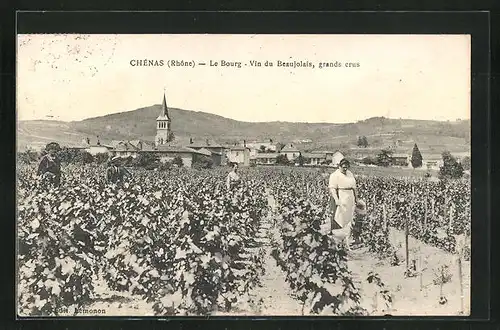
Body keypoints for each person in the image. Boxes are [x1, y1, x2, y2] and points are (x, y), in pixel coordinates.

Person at [328, 158, 358, 250]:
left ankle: (347, 240)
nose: (345, 169)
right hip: (341, 197)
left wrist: (356, 198)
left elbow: (354, 188)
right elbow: (332, 189)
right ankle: (338, 242)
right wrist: (337, 200)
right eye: (343, 167)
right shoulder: (335, 175)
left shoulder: (349, 174)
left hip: (350, 198)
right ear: (339, 166)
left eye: (346, 167)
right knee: (339, 217)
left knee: (349, 219)